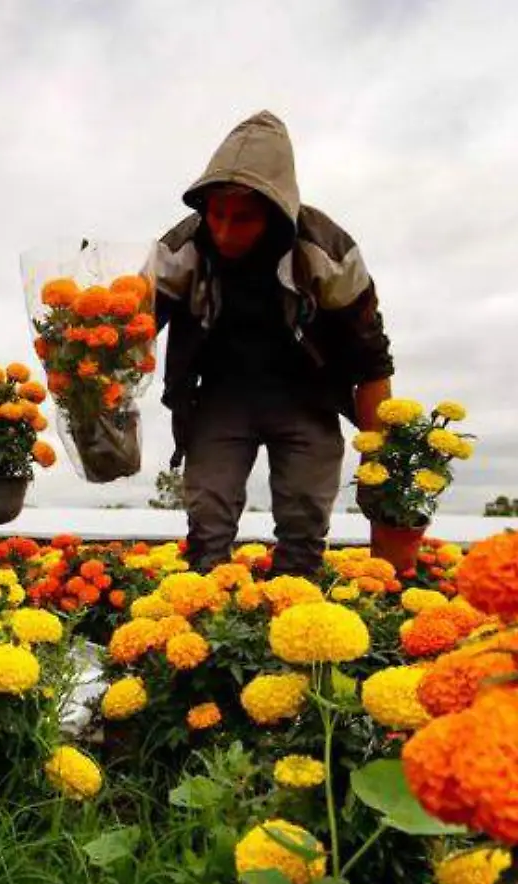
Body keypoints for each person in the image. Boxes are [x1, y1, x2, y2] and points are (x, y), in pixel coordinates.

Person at [152, 110, 395, 575]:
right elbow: (130, 329)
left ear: (276, 210)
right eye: (216, 215)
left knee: (305, 519)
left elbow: (371, 360)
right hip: (221, 393)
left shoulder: (328, 252)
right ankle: (206, 619)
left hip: (308, 394)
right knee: (207, 515)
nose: (223, 231)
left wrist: (378, 458)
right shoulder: (181, 248)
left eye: (242, 218)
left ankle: (297, 623)